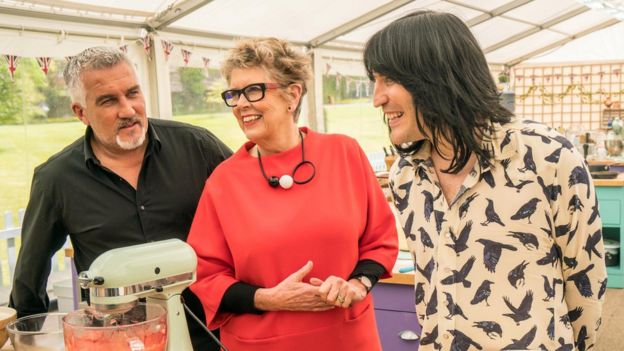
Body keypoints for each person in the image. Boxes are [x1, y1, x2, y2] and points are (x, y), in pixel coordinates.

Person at [364, 10, 606, 351]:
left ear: (433, 76)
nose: (377, 98)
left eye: (388, 80)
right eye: (375, 81)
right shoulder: (406, 175)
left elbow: (585, 280)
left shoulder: (547, 156)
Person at [9, 46, 232, 351]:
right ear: (81, 112)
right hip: (116, 342)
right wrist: (29, 339)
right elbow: (29, 276)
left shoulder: (198, 147)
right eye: (108, 101)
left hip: (213, 335)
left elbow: (251, 213)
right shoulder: (55, 179)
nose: (128, 110)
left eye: (133, 93)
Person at [187, 37, 398, 351]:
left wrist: (356, 285)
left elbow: (379, 239)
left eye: (253, 90)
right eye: (234, 94)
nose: (241, 103)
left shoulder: (343, 152)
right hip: (262, 343)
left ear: (293, 94)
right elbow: (205, 275)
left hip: (347, 338)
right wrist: (267, 299)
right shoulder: (223, 181)